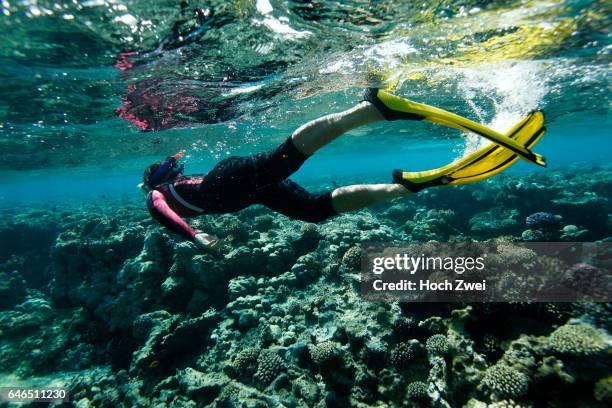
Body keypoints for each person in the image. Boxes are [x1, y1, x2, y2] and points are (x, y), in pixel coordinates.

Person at [140, 88, 546, 250]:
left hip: (228, 183)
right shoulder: (174, 182)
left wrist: (194, 237)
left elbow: (162, 212)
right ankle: (410, 187)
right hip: (243, 193)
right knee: (313, 210)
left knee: (287, 157)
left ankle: (370, 110)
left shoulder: (156, 194)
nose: (165, 171)